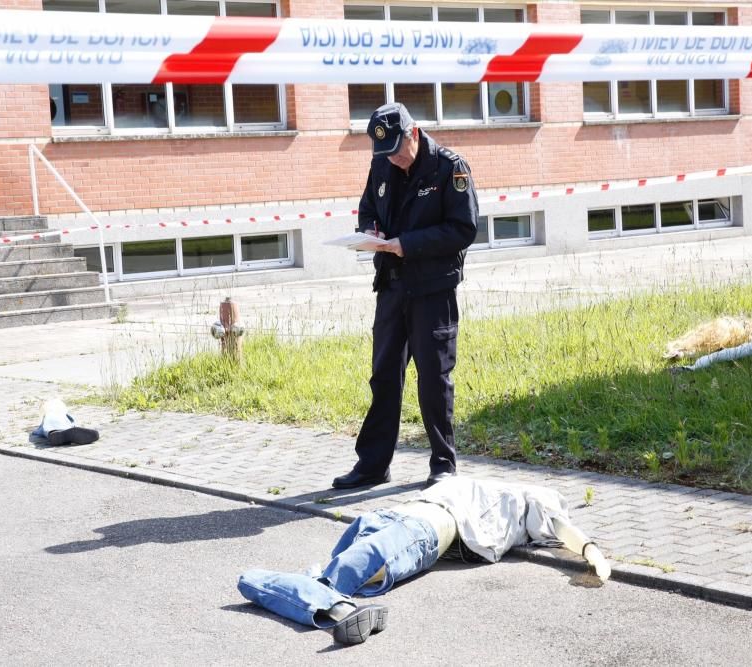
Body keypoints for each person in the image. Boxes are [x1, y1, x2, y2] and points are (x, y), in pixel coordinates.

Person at [237, 477, 611, 645]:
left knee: (340, 573)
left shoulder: (476, 484)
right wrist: (593, 553)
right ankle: (333, 609)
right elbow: (566, 530)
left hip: (386, 517)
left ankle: (270, 585)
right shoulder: (534, 499)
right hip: (422, 529)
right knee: (337, 581)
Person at [332, 102, 479, 490]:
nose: (393, 160)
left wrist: (407, 244)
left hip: (432, 290)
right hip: (392, 287)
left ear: (414, 134)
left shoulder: (450, 168)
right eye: (386, 154)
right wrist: (373, 232)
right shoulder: (383, 162)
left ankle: (443, 464)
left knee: (434, 378)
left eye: (398, 150)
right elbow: (368, 208)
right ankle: (373, 465)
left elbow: (462, 229)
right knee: (384, 377)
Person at [32, 398, 100, 446]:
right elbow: (71, 420)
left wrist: (35, 432)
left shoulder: (47, 412)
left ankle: (54, 434)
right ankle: (62, 434)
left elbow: (39, 430)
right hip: (63, 421)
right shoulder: (61, 409)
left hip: (51, 421)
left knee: (48, 426)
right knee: (63, 423)